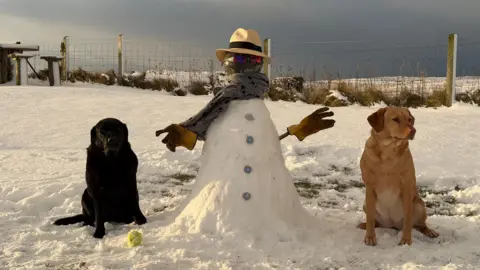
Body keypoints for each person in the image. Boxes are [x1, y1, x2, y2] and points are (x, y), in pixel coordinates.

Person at [155, 28, 334, 151]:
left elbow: (265, 146)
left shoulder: (239, 100)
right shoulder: (225, 100)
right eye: (237, 59)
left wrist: (298, 130)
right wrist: (183, 133)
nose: (243, 65)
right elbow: (209, 129)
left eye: (249, 60)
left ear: (257, 64)